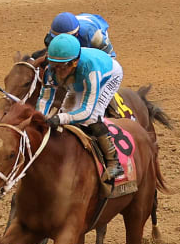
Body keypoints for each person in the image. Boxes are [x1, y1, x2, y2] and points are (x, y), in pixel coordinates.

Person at [37, 32, 124, 186]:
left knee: (92, 117)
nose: (57, 72)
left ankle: (114, 163)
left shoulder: (91, 69)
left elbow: (87, 111)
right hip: (77, 79)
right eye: (54, 66)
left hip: (109, 75)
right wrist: (40, 119)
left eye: (62, 67)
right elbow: (45, 98)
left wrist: (59, 119)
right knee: (66, 110)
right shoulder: (53, 69)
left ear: (75, 62)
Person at [46, 11, 115, 56]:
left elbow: (109, 55)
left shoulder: (94, 35)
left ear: (76, 34)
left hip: (94, 24)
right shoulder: (51, 37)